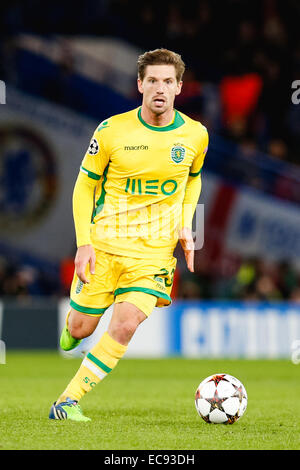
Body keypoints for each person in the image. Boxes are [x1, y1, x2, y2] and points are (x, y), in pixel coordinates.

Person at [49, 48, 209, 421]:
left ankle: (67, 401)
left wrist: (186, 223)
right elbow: (83, 187)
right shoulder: (111, 130)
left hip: (153, 255)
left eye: (168, 81)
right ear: (139, 84)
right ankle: (74, 328)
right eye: (152, 80)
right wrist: (83, 243)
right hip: (105, 246)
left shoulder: (195, 135)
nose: (160, 88)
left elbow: (193, 179)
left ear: (179, 87)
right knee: (80, 326)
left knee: (126, 324)